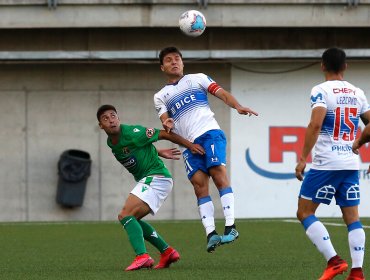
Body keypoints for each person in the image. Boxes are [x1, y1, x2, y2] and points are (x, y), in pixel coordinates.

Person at [154, 46, 258, 253]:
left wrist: (237, 106)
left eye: (177, 58)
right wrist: (167, 124)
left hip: (209, 132)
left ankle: (231, 226)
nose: (174, 62)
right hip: (188, 145)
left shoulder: (198, 78)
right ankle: (211, 233)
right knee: (199, 187)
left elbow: (221, 93)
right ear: (162, 67)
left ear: (183, 63)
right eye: (169, 60)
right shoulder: (160, 96)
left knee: (218, 175)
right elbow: (165, 119)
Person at [97, 104, 205, 271]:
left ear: (118, 118)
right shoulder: (111, 142)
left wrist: (190, 146)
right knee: (133, 220)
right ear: (101, 125)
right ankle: (167, 251)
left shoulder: (133, 132)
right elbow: (138, 147)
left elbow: (163, 134)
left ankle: (142, 256)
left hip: (157, 177)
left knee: (125, 215)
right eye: (105, 118)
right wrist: (158, 152)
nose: (111, 120)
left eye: (113, 116)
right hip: (152, 179)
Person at [295, 47, 370, 280]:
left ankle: (334, 261)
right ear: (345, 67)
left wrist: (302, 158)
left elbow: (315, 125)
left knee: (304, 211)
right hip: (349, 163)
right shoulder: (358, 93)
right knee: (352, 218)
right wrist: (358, 142)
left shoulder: (321, 90)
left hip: (326, 163)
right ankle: (357, 272)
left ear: (322, 66)